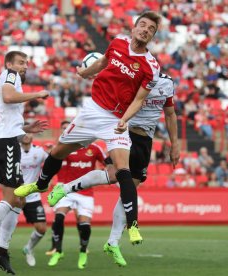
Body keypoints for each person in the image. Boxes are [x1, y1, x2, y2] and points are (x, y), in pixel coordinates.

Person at [15, 11, 162, 246]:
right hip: (92, 111)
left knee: (123, 170)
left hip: (116, 120)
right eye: (142, 25)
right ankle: (41, 185)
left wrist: (125, 119)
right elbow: (103, 62)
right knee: (57, 152)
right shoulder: (117, 42)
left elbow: (139, 100)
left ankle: (133, 225)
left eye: (151, 29)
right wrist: (85, 72)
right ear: (134, 28)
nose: (145, 30)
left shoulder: (151, 66)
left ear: (153, 36)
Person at [47, 73, 180, 266]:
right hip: (123, 132)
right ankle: (65, 189)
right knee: (114, 175)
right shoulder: (135, 77)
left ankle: (112, 242)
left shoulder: (167, 82)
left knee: (129, 189)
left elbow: (170, 113)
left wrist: (174, 144)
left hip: (146, 140)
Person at [0, 50, 49, 275]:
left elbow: (6, 115)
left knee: (19, 199)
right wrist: (37, 94)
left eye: (26, 63)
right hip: (5, 143)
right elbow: (9, 97)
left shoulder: (9, 78)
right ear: (9, 64)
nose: (24, 66)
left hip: (4, 140)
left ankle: (1, 251)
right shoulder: (10, 75)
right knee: (14, 198)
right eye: (21, 62)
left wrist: (26, 128)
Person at [47, 121, 107, 269]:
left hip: (85, 192)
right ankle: (58, 250)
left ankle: (82, 251)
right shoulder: (68, 147)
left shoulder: (95, 149)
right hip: (66, 189)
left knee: (84, 225)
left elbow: (108, 163)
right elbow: (54, 161)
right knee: (59, 217)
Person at [0, 132, 48, 268]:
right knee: (6, 225)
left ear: (33, 136)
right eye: (23, 133)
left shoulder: (39, 151)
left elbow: (52, 162)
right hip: (14, 194)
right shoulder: (13, 150)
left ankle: (29, 248)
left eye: (29, 133)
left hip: (32, 196)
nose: (26, 136)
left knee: (42, 228)